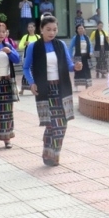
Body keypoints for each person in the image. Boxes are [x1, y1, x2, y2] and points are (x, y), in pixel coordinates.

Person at [23, 16, 83, 166]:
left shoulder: (61, 45)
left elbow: (68, 65)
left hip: (61, 88)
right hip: (45, 89)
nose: (52, 32)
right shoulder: (33, 46)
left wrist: (75, 67)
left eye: (55, 29)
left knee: (61, 124)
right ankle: (50, 154)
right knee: (52, 124)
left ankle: (51, 153)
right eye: (48, 29)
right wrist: (31, 83)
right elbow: (25, 67)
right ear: (41, 29)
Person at [18, 22, 41, 95]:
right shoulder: (25, 37)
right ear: (27, 28)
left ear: (34, 28)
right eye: (29, 27)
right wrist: (25, 44)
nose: (30, 29)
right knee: (26, 73)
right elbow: (20, 47)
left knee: (35, 73)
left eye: (32, 27)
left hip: (36, 58)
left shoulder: (38, 37)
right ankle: (23, 89)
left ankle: (35, 87)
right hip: (27, 57)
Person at [69, 24, 93, 90]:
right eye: (79, 28)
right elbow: (71, 47)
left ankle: (87, 85)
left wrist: (91, 52)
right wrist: (70, 56)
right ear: (77, 30)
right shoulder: (75, 38)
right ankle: (76, 85)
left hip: (86, 56)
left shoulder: (87, 38)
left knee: (87, 71)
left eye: (82, 28)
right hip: (78, 57)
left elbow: (90, 46)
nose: (81, 30)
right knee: (78, 70)